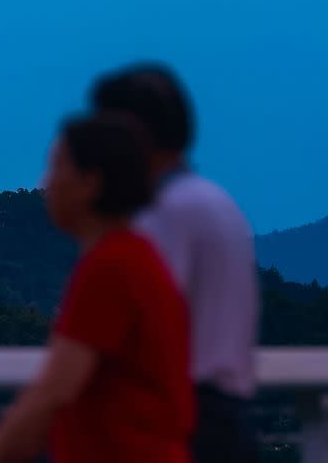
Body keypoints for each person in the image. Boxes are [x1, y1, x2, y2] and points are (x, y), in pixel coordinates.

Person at [0, 114, 193, 463]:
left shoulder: (110, 268)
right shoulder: (138, 257)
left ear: (91, 182)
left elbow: (53, 394)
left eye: (56, 168)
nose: (46, 182)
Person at [91, 63, 259, 463]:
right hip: (229, 416)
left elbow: (133, 325)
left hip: (182, 423)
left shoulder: (164, 214)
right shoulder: (216, 203)